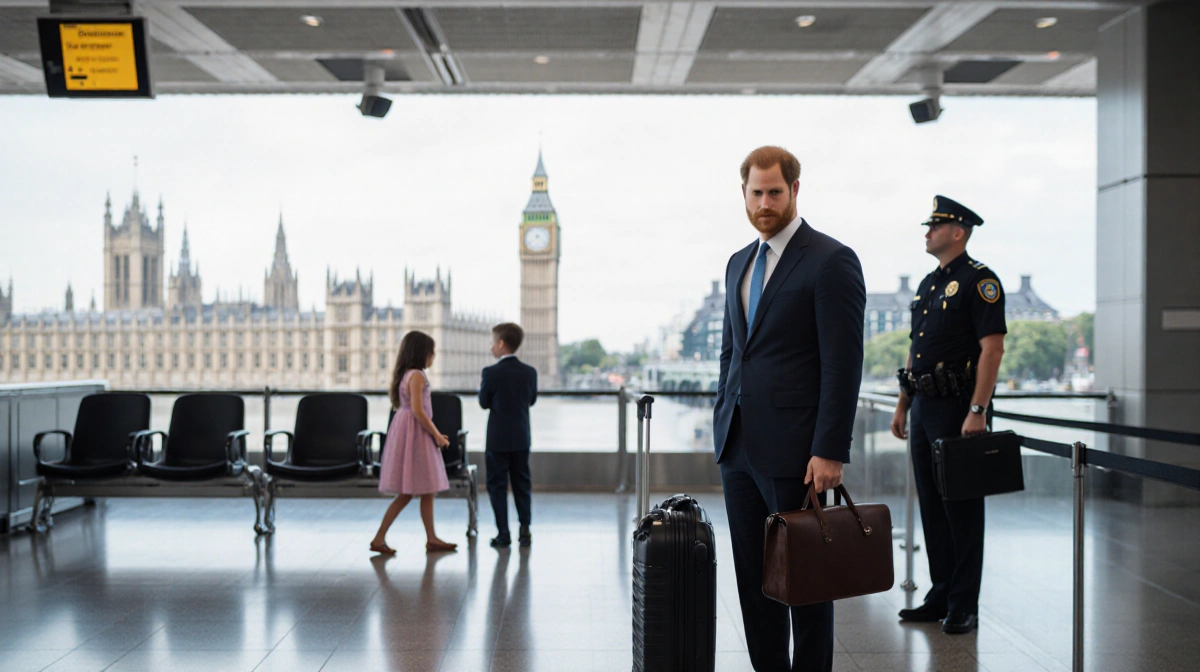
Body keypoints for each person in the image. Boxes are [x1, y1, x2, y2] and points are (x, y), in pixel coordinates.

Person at [713, 146, 866, 672]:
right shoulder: (738, 262)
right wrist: (722, 418)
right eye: (756, 192)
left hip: (798, 452)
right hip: (738, 449)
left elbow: (842, 365)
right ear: (744, 194)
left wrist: (829, 449)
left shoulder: (830, 260)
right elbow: (733, 353)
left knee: (805, 583)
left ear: (795, 190)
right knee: (754, 582)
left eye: (774, 192)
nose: (764, 203)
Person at [890, 195, 1007, 635]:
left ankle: (963, 603)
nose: (927, 232)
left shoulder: (981, 281)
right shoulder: (928, 284)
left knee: (961, 508)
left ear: (958, 231)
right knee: (933, 508)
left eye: (935, 226)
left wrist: (977, 410)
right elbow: (916, 348)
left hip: (959, 408)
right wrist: (904, 403)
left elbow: (991, 348)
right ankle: (940, 593)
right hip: (924, 406)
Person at [371, 330, 458, 555]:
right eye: (432, 352)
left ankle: (431, 538)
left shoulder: (405, 374)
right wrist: (437, 435)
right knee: (407, 492)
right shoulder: (418, 375)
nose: (434, 357)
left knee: (426, 490)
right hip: (416, 434)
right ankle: (379, 537)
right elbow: (419, 411)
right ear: (422, 354)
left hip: (407, 431)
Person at [478, 322, 538, 548]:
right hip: (522, 437)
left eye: (493, 342)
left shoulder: (490, 372)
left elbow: (484, 403)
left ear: (501, 344)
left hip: (497, 440)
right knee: (522, 484)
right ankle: (525, 531)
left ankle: (503, 534)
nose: (491, 346)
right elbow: (531, 400)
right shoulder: (530, 372)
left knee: (497, 486)